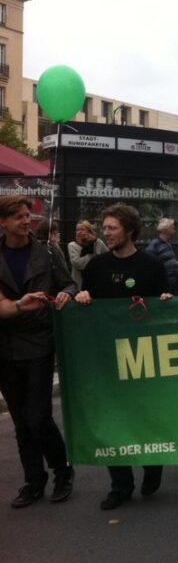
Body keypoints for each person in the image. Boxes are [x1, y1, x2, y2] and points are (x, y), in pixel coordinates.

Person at [75, 203, 172, 510]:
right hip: (107, 357)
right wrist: (82, 297)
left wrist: (167, 301)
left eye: (112, 228)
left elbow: (165, 306)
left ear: (129, 230)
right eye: (104, 228)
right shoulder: (95, 266)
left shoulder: (151, 266)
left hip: (143, 356)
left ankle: (152, 464)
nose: (106, 233)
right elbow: (85, 301)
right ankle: (120, 484)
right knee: (112, 419)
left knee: (144, 415)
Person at [0, 197, 77, 509]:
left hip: (39, 342)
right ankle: (34, 480)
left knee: (39, 416)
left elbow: (70, 284)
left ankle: (62, 471)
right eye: (18, 216)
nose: (25, 220)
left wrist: (64, 294)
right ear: (2, 222)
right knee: (20, 419)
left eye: (27, 215)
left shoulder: (46, 251)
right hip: (5, 346)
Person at [67, 220, 108, 289]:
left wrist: (95, 241)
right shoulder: (72, 245)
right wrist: (92, 254)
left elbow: (107, 256)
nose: (79, 232)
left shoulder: (97, 242)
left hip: (97, 281)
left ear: (89, 231)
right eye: (77, 230)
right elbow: (78, 263)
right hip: (80, 284)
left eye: (82, 229)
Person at [145, 217, 178, 292]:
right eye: (172, 227)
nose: (175, 230)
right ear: (166, 230)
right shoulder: (155, 244)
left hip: (173, 282)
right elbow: (149, 263)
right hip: (164, 284)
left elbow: (165, 259)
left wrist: (175, 263)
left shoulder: (167, 243)